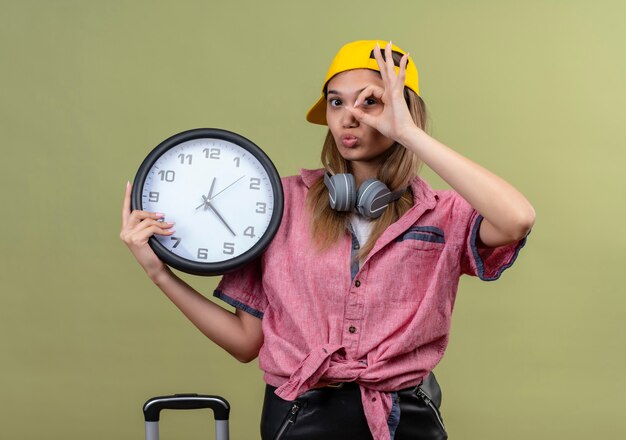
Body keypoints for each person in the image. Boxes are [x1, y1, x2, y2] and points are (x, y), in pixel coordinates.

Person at [120, 40, 535, 440]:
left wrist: (408, 134)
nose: (348, 117)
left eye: (369, 102)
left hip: (406, 419)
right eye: (336, 102)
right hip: (301, 417)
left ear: (404, 111)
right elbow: (246, 343)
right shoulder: (279, 203)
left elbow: (516, 219)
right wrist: (161, 275)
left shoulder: (444, 213)